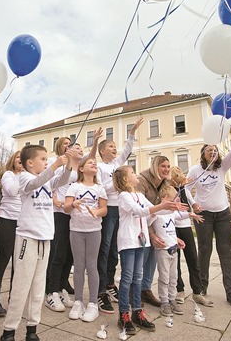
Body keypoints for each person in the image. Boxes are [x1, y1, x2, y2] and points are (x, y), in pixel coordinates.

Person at [0, 144, 76, 341]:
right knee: (21, 285)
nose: (46, 162)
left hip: (45, 239)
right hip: (27, 238)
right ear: (30, 162)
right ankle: (9, 330)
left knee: (38, 286)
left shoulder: (47, 179)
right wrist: (56, 164)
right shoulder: (24, 176)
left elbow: (62, 180)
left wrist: (67, 166)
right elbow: (36, 183)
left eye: (47, 159)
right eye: (43, 159)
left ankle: (32, 328)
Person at [114, 166, 186, 335]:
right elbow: (139, 211)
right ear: (125, 180)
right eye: (132, 173)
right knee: (127, 278)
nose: (136, 174)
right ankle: (124, 314)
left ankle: (137, 312)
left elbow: (152, 211)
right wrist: (161, 207)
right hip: (128, 241)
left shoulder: (140, 195)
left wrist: (169, 207)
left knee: (138, 277)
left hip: (142, 242)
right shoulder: (124, 196)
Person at [185, 120, 231, 308]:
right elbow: (186, 188)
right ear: (203, 154)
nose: (213, 152)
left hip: (223, 215)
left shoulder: (222, 167)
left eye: (215, 150)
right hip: (204, 215)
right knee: (204, 251)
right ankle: (201, 288)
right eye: (209, 150)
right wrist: (194, 204)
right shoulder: (196, 170)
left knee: (225, 252)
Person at [96, 117, 142, 313]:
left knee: (115, 248)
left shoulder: (117, 164)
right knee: (105, 248)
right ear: (102, 151)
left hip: (121, 210)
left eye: (115, 146)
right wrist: (115, 185)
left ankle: (109, 283)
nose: (115, 149)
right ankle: (100, 290)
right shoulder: (100, 167)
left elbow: (127, 150)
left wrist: (131, 133)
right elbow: (100, 188)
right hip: (109, 211)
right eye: (111, 146)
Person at [63, 157, 107, 322]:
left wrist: (97, 213)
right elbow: (66, 208)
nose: (94, 164)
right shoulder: (74, 186)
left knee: (92, 265)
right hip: (76, 230)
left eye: (95, 163)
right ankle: (79, 301)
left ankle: (93, 304)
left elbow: (104, 209)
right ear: (81, 169)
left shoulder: (99, 188)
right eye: (90, 163)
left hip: (94, 230)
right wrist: (73, 204)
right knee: (79, 265)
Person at [148, 185, 201, 317]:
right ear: (165, 198)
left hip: (173, 250)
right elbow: (148, 221)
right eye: (174, 199)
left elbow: (180, 215)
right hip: (162, 250)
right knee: (164, 277)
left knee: (173, 277)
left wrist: (190, 214)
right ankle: (164, 301)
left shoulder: (171, 213)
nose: (176, 202)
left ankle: (172, 299)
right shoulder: (158, 213)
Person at [0, 150, 23, 317]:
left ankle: (14, 299)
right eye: (18, 158)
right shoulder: (9, 175)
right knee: (4, 256)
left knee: (19, 261)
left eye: (25, 158)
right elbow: (12, 191)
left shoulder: (31, 177)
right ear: (13, 161)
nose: (22, 160)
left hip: (24, 222)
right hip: (7, 219)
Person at [168, 166, 210, 306]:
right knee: (175, 261)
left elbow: (192, 202)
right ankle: (180, 290)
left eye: (178, 177)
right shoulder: (169, 191)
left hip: (185, 226)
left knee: (193, 259)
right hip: (173, 227)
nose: (177, 180)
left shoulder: (184, 189)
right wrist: (178, 187)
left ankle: (197, 292)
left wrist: (196, 207)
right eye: (175, 178)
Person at [137, 155, 172, 308]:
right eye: (163, 166)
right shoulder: (141, 181)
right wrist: (151, 234)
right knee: (141, 257)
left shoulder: (165, 184)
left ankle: (145, 289)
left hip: (153, 225)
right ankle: (134, 290)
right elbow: (141, 210)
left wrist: (158, 234)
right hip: (139, 225)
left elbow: (164, 211)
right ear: (155, 167)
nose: (166, 169)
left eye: (168, 166)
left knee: (152, 256)